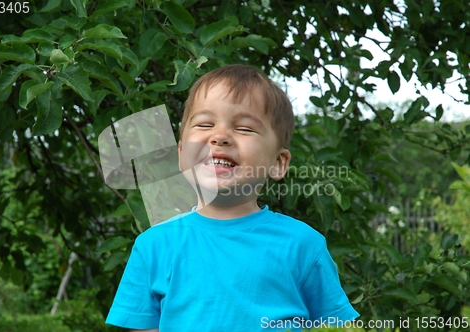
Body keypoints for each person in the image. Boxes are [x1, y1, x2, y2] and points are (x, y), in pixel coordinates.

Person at [105, 64, 359, 332]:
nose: (220, 136)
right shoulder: (153, 247)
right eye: (205, 124)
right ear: (182, 155)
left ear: (278, 163)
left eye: (245, 128)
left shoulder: (303, 246)